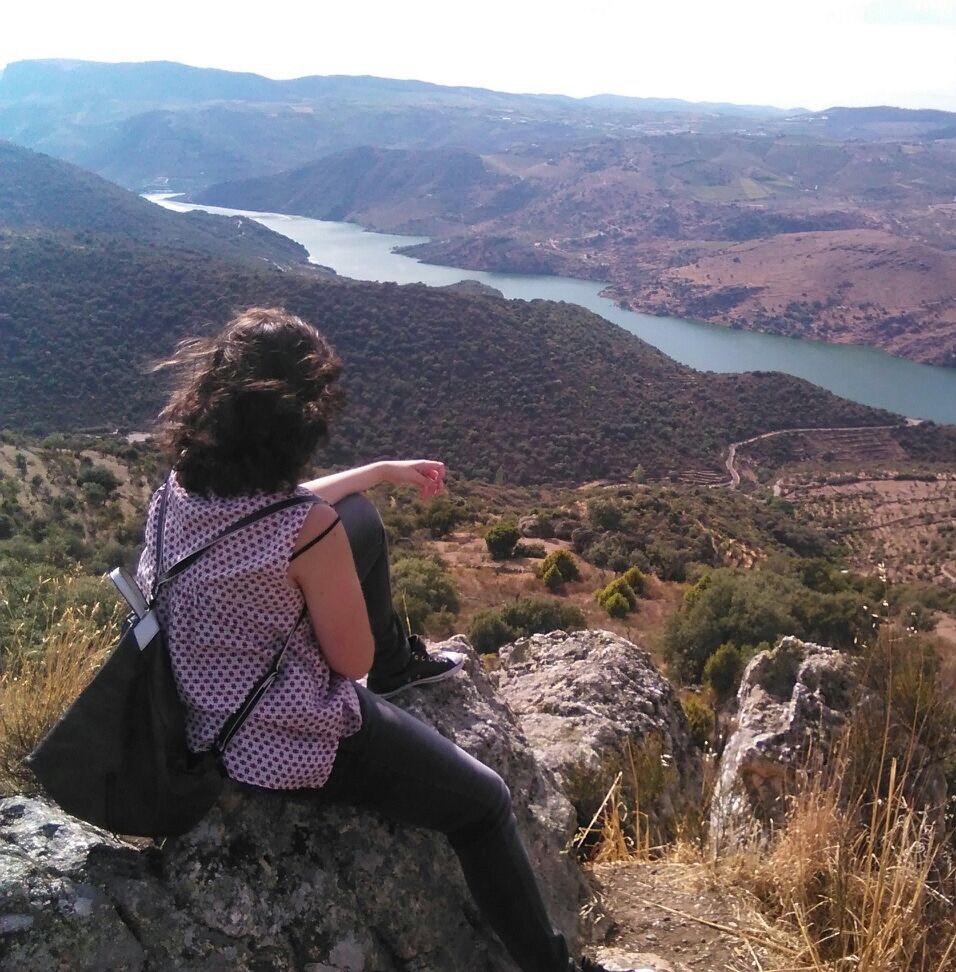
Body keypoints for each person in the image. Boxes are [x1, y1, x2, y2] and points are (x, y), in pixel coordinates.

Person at [135, 307, 622, 972]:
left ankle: (404, 666)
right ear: (300, 416)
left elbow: (288, 505)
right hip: (276, 741)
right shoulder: (305, 532)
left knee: (357, 515)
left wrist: (380, 471)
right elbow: (349, 661)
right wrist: (338, 606)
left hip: (192, 708)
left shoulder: (180, 489)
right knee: (483, 805)